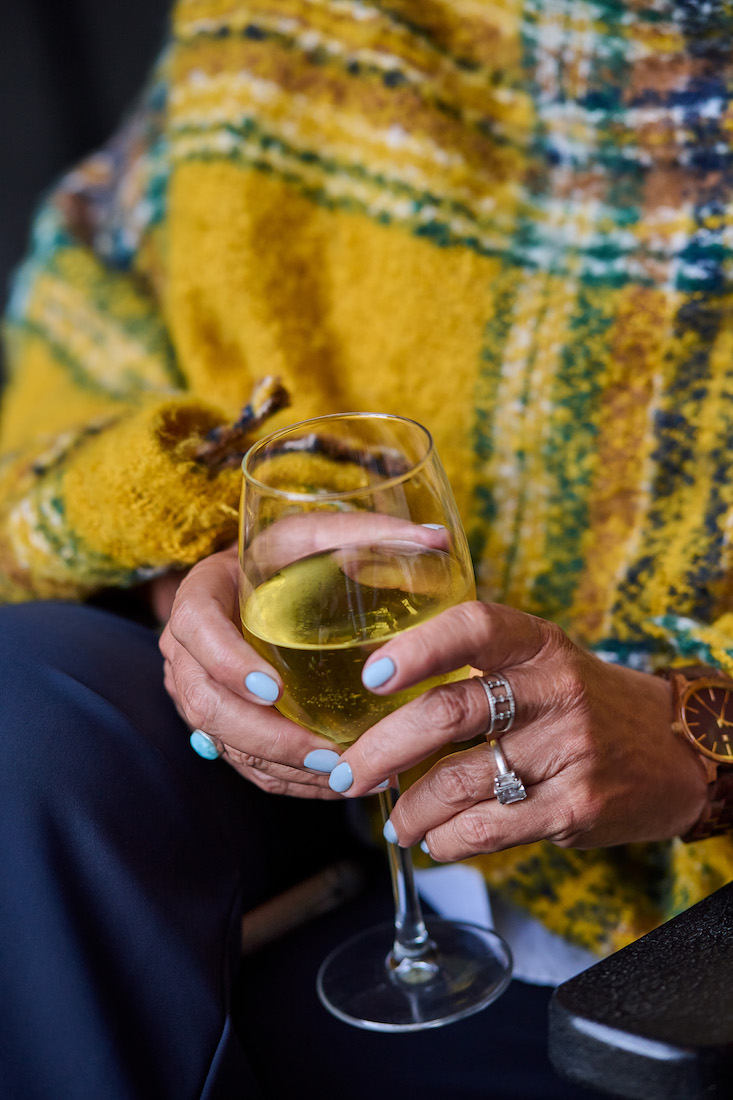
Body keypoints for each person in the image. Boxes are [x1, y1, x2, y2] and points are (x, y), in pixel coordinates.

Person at [2, 0, 733, 1096]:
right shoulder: (280, 21)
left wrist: (698, 744)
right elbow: (76, 352)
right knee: (26, 712)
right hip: (298, 825)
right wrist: (185, 569)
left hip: (667, 944)